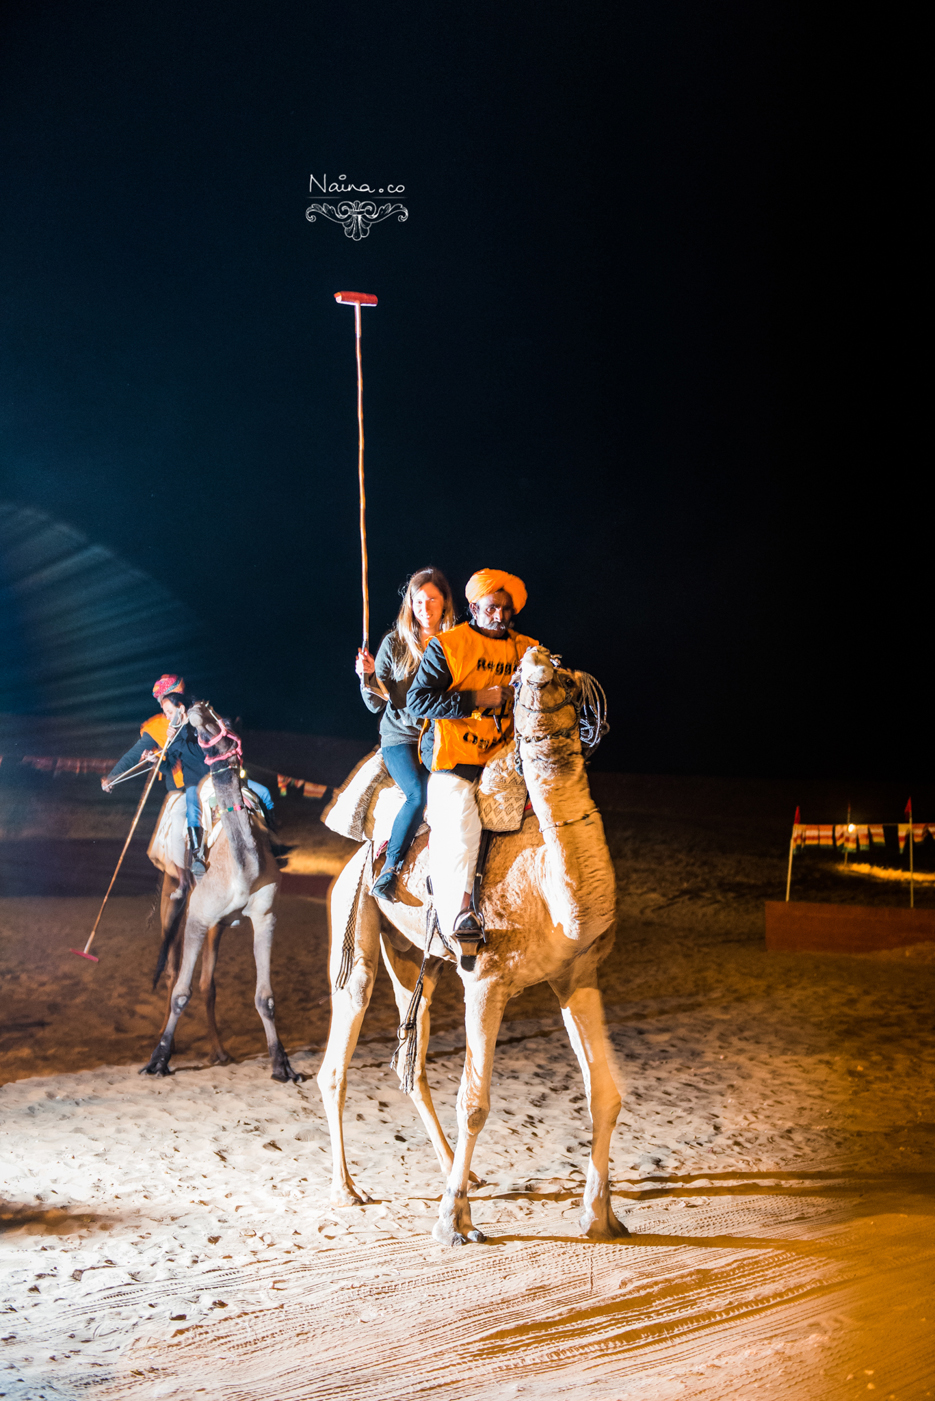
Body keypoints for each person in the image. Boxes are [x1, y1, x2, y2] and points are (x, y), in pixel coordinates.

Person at [407, 568, 538, 947]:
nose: (500, 616)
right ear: (473, 607)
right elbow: (418, 700)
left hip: (506, 759)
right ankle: (458, 914)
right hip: (456, 755)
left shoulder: (527, 648)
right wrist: (476, 699)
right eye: (492, 608)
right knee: (463, 828)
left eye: (506, 609)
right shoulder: (448, 646)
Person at [356, 568, 456, 900]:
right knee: (417, 793)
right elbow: (374, 703)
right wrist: (367, 677)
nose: (425, 606)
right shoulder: (394, 643)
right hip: (400, 737)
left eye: (433, 599)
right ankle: (390, 868)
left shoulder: (456, 644)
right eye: (418, 600)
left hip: (440, 737)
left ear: (445, 603)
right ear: (409, 604)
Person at [103, 675, 212, 879]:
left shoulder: (198, 718)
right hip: (183, 787)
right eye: (165, 705)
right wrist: (113, 776)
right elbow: (136, 754)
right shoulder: (160, 727)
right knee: (177, 827)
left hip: (211, 779)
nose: (167, 710)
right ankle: (184, 880)